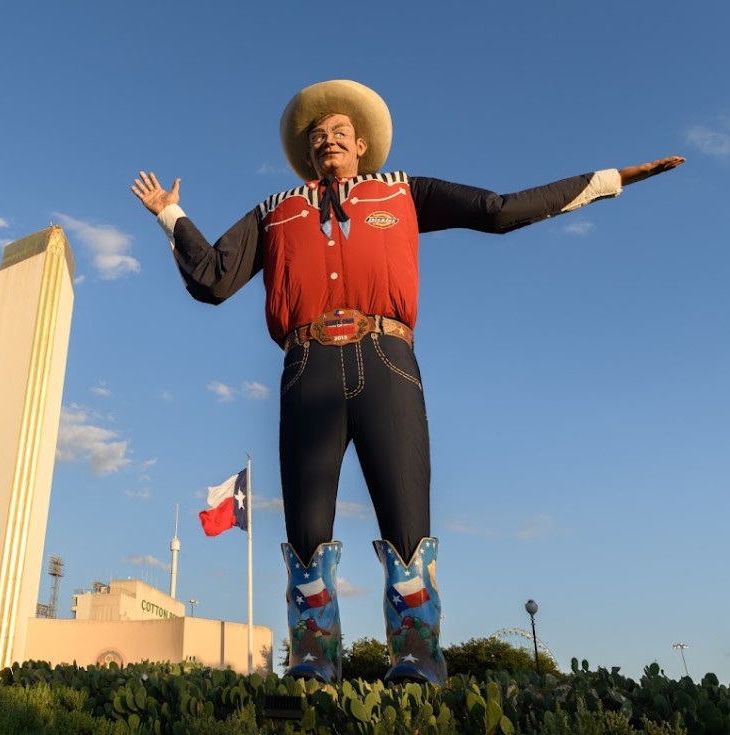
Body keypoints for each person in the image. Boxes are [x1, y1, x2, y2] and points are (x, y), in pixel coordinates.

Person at [132, 79, 683, 684]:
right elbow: (211, 279)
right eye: (318, 136)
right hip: (306, 367)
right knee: (307, 528)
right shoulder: (276, 210)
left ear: (362, 146)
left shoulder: (404, 192)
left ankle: (417, 659)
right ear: (308, 154)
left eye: (340, 132)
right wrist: (170, 215)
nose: (328, 140)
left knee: (406, 518)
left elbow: (496, 211)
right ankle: (315, 660)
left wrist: (609, 181)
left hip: (387, 360)